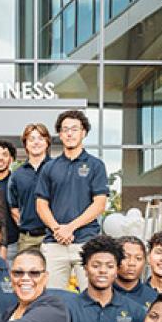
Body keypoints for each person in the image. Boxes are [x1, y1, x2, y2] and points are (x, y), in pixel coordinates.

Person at [34, 110, 109, 290]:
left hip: (85, 242)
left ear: (83, 132)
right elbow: (41, 204)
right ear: (60, 134)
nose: (69, 133)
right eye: (65, 129)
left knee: (91, 296)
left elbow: (100, 204)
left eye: (74, 129)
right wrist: (57, 229)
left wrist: (70, 227)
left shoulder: (96, 165)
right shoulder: (49, 167)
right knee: (53, 299)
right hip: (55, 244)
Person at [8, 123, 52, 255]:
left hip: (53, 238)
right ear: (25, 144)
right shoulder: (17, 174)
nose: (36, 142)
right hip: (27, 239)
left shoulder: (58, 169)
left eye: (40, 138)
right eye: (31, 139)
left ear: (47, 142)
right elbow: (14, 207)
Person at [114, 236, 150, 309]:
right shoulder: (101, 293)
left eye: (138, 258)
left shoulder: (153, 297)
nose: (132, 263)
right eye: (125, 257)